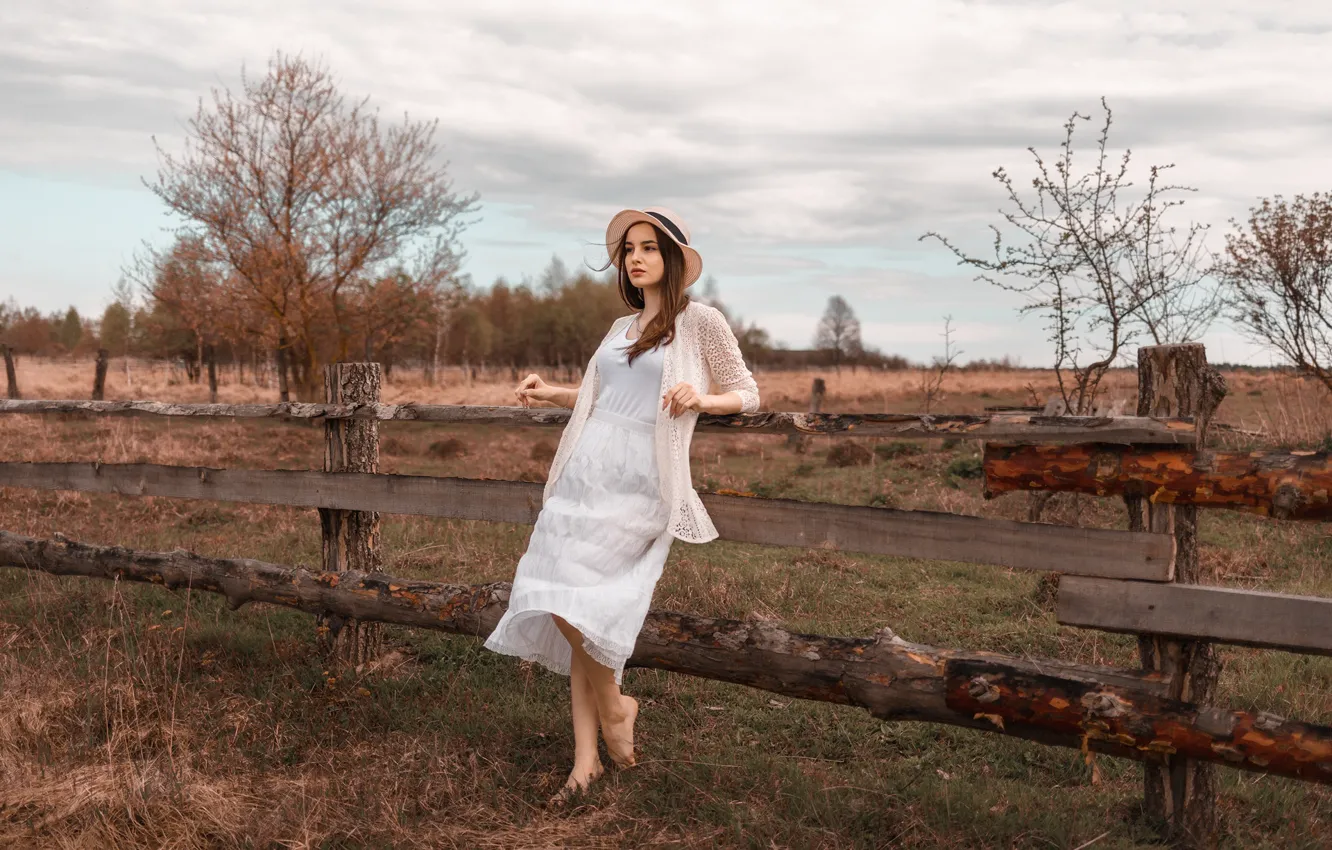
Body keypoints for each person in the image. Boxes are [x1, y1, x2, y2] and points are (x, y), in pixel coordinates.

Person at [483, 206, 760, 805]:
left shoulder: (701, 323)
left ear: (674, 260)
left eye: (649, 249)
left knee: (581, 604)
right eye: (629, 249)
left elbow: (748, 392)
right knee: (557, 592)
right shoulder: (618, 328)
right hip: (586, 472)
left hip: (642, 479)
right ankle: (589, 758)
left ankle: (614, 709)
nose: (635, 258)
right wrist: (549, 391)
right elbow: (600, 394)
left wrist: (702, 400)